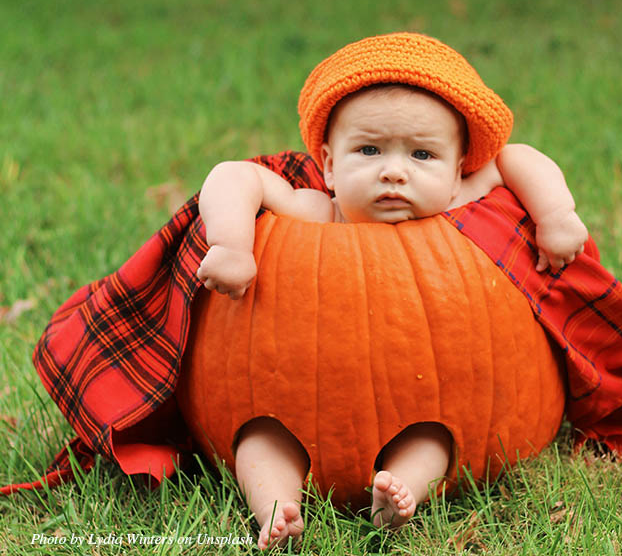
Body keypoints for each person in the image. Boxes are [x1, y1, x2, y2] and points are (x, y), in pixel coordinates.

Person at [195, 33, 588, 549]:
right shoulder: (311, 210)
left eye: (422, 154)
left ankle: (402, 491)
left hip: (423, 401)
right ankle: (274, 506)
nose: (394, 170)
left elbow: (516, 158)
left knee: (434, 439)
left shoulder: (455, 206)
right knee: (259, 438)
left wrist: (557, 215)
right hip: (286, 398)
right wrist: (230, 245)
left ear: (456, 173)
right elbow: (234, 175)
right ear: (330, 167)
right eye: (369, 149)